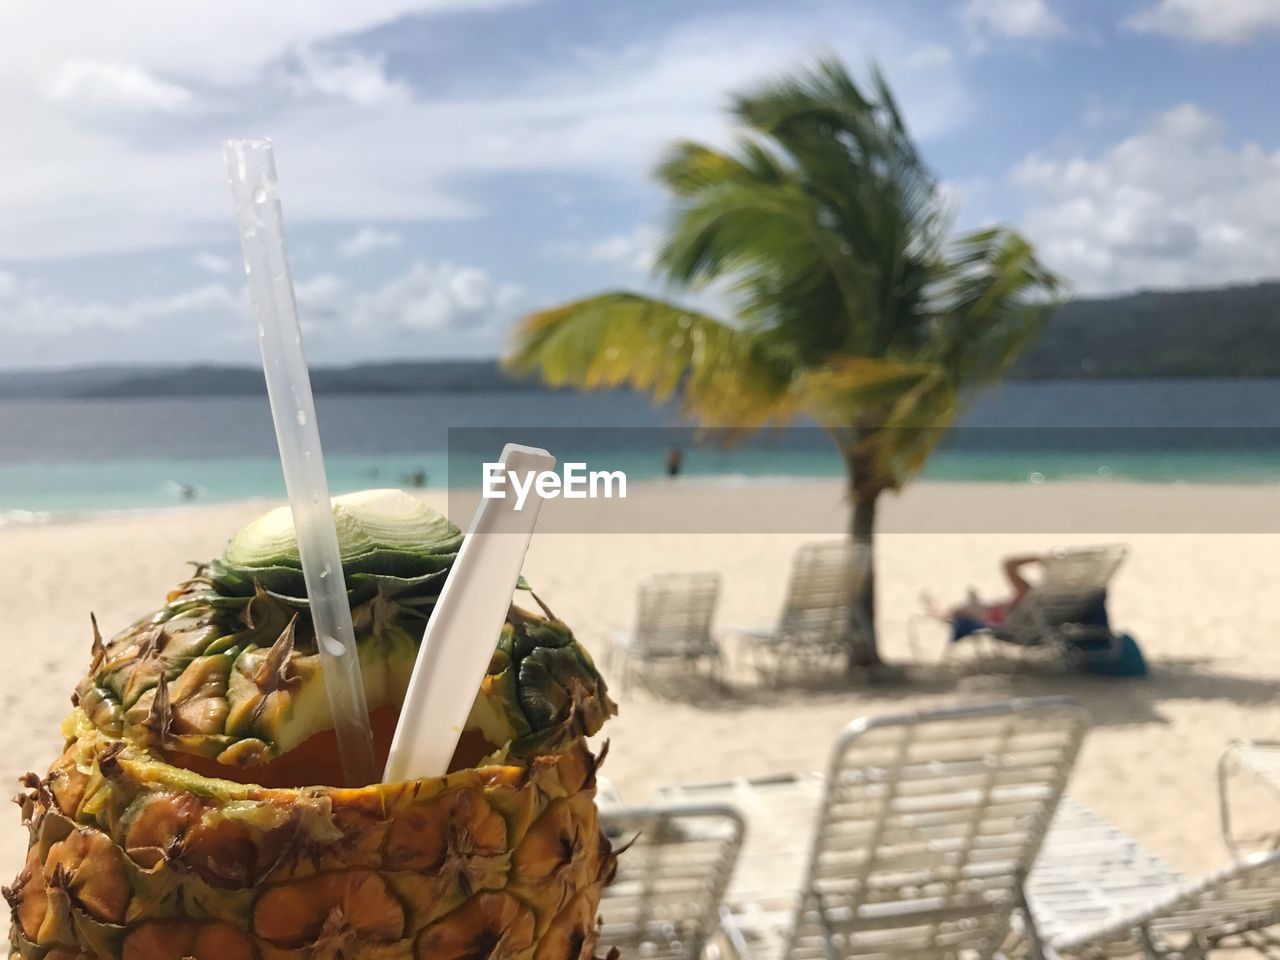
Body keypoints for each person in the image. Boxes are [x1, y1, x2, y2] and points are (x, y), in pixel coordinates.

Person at [923, 554, 1043, 641]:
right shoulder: (1030, 600)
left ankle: (943, 611)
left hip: (1010, 621)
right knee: (961, 610)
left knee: (1007, 565)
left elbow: (1009, 564)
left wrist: (1040, 559)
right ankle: (944, 611)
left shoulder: (1025, 597)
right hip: (1013, 618)